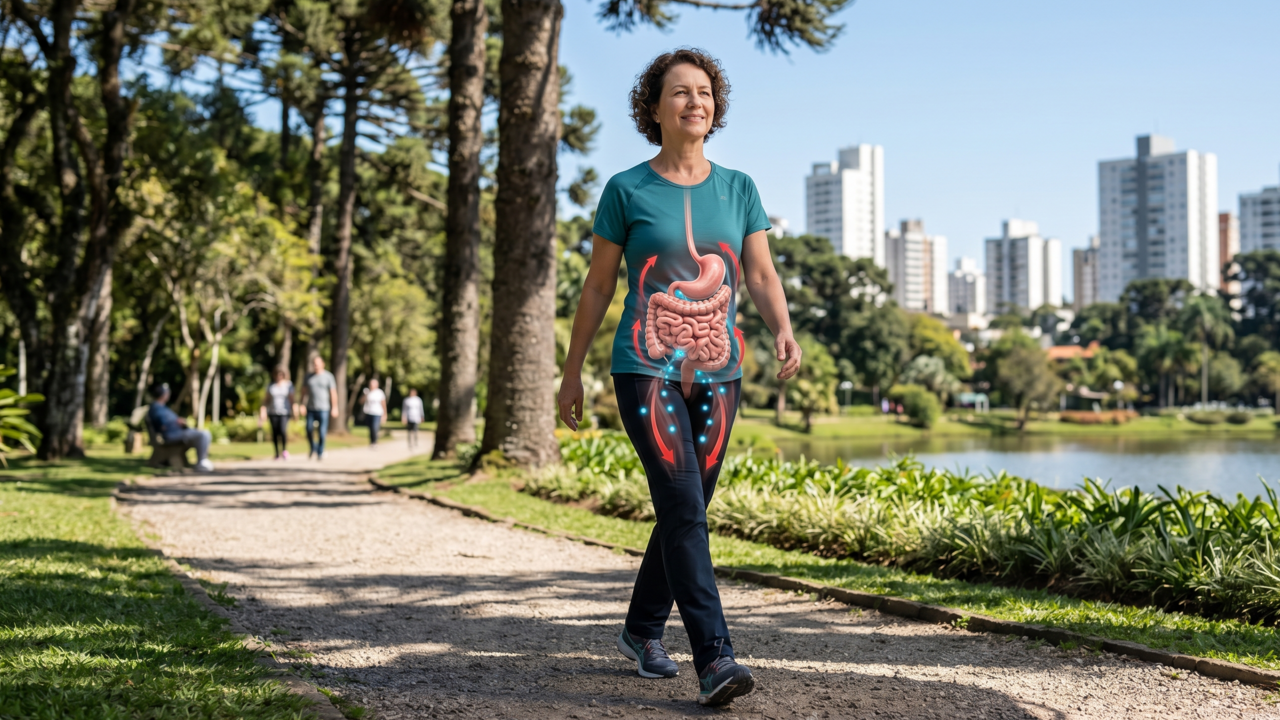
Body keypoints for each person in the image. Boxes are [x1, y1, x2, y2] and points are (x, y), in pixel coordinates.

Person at [555, 49, 801, 708]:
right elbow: (599, 284)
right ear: (655, 109)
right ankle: (715, 657)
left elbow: (760, 273)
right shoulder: (626, 189)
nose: (695, 103)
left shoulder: (740, 187)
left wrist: (782, 325)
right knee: (685, 508)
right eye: (680, 93)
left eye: (705, 93)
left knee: (684, 510)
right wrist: (572, 369)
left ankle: (640, 631)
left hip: (721, 371)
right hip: (645, 367)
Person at [147, 383, 216, 472]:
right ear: (163, 394)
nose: (168, 394)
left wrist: (179, 421)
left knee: (203, 433)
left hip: (176, 433)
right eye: (167, 392)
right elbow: (163, 425)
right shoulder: (156, 408)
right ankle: (201, 462)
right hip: (171, 435)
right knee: (204, 434)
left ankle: (202, 461)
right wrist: (176, 422)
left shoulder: (161, 407)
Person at [299, 356, 339, 460]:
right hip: (311, 408)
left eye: (317, 363)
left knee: (322, 432)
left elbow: (333, 393)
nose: (316, 366)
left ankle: (320, 452)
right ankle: (313, 448)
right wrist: (302, 405)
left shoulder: (328, 376)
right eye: (314, 364)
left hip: (324, 408)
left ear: (323, 364)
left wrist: (335, 407)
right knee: (308, 429)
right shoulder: (308, 377)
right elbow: (303, 392)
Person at [258, 367, 295, 460]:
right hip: (273, 412)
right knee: (275, 432)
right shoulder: (271, 386)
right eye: (277, 375)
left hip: (284, 412)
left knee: (282, 431)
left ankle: (284, 450)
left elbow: (292, 399)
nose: (279, 377)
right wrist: (263, 411)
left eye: (281, 375)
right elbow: (266, 400)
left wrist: (294, 411)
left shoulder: (288, 385)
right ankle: (276, 453)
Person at [360, 378, 387, 446]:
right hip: (368, 412)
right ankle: (372, 441)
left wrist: (385, 414)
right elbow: (361, 402)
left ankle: (375, 442)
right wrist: (365, 395)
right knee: (370, 428)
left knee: (375, 427)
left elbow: (383, 404)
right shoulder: (367, 392)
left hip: (377, 413)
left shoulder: (380, 392)